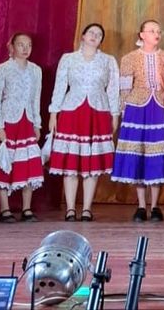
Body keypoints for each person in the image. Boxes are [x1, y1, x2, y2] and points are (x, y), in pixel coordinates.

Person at [48, 23, 120, 222]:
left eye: (99, 34)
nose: (95, 36)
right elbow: (60, 86)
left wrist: (115, 114)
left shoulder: (108, 61)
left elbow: (113, 89)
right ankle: (70, 208)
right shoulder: (68, 59)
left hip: (98, 112)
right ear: (83, 36)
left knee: (92, 163)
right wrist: (53, 113)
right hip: (72, 111)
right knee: (71, 162)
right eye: (91, 33)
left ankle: (87, 208)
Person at [112, 20, 164, 221]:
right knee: (139, 153)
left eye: (158, 31)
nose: (156, 34)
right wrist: (124, 109)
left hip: (160, 108)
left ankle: (155, 206)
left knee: (157, 154)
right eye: (151, 31)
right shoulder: (129, 58)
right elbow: (125, 87)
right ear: (141, 34)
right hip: (137, 108)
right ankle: (141, 206)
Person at [0, 32, 44, 222]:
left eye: (28, 45)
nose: (25, 49)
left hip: (27, 121)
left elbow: (36, 98)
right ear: (11, 47)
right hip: (8, 120)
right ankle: (4, 209)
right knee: (5, 162)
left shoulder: (36, 70)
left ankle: (26, 208)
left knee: (28, 163)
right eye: (21, 44)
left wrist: (37, 124)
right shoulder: (3, 68)